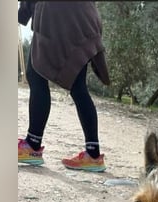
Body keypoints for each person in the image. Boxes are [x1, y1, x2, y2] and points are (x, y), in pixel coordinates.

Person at [18, 1, 111, 172]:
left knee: (36, 74)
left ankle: (32, 145)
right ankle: (93, 154)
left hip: (59, 16)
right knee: (78, 85)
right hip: (83, 16)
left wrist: (21, 14)